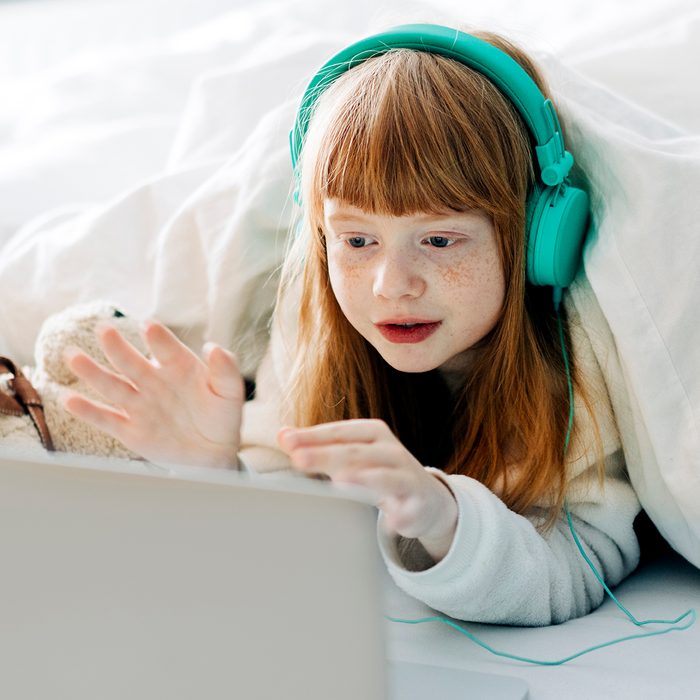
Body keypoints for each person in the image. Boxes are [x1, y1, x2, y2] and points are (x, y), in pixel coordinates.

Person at [63, 25, 641, 626]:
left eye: (440, 239)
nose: (390, 284)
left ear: (536, 240)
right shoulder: (321, 321)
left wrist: (444, 520)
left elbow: (583, 562)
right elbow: (293, 512)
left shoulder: (579, 355)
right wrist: (218, 472)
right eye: (357, 239)